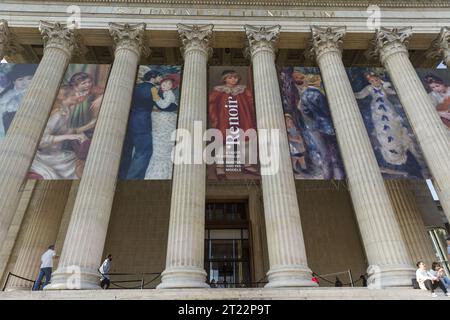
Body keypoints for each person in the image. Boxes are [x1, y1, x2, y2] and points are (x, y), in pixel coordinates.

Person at [354, 72, 426, 178]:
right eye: (372, 81)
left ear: (379, 79)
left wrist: (387, 84)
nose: (374, 82)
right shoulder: (369, 89)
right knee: (382, 128)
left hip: (388, 108)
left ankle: (401, 146)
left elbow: (394, 92)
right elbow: (360, 95)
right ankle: (391, 149)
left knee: (394, 125)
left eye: (376, 80)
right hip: (377, 109)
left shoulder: (383, 87)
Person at [292, 71, 343, 179]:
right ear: (317, 82)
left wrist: (312, 119)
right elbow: (326, 110)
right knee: (333, 150)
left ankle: (327, 174)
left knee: (324, 152)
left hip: (313, 128)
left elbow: (304, 111)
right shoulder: (318, 94)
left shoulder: (304, 96)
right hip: (326, 126)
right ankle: (338, 174)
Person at [29, 86, 87, 179]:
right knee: (75, 165)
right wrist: (68, 137)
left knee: (74, 158)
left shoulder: (65, 111)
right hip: (44, 155)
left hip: (54, 152)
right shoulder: (57, 114)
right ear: (63, 98)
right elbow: (41, 139)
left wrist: (90, 125)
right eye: (73, 95)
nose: (77, 96)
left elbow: (66, 131)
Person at [208, 69, 257, 178]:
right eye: (230, 77)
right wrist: (214, 118)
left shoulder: (243, 90)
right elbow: (211, 104)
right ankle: (220, 167)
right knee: (224, 142)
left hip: (243, 119)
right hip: (225, 120)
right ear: (224, 79)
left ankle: (247, 165)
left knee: (246, 141)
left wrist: (253, 115)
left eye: (235, 77)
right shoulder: (219, 91)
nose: (233, 79)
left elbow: (252, 102)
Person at [119, 70, 162, 180]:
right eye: (159, 77)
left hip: (128, 120)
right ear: (153, 77)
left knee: (126, 150)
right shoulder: (153, 89)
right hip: (142, 122)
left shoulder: (136, 87)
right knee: (144, 151)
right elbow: (160, 104)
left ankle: (121, 177)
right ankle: (133, 179)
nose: (160, 79)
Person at [145, 73, 179, 179]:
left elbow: (163, 105)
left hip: (166, 122)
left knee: (163, 147)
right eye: (165, 82)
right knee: (156, 146)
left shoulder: (170, 94)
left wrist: (155, 96)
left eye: (169, 84)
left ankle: (163, 175)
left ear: (172, 87)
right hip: (157, 121)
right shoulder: (159, 91)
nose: (166, 84)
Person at [0, 64, 37, 137]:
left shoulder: (35, 93)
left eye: (29, 78)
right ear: (14, 82)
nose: (24, 83)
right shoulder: (7, 95)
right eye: (20, 79)